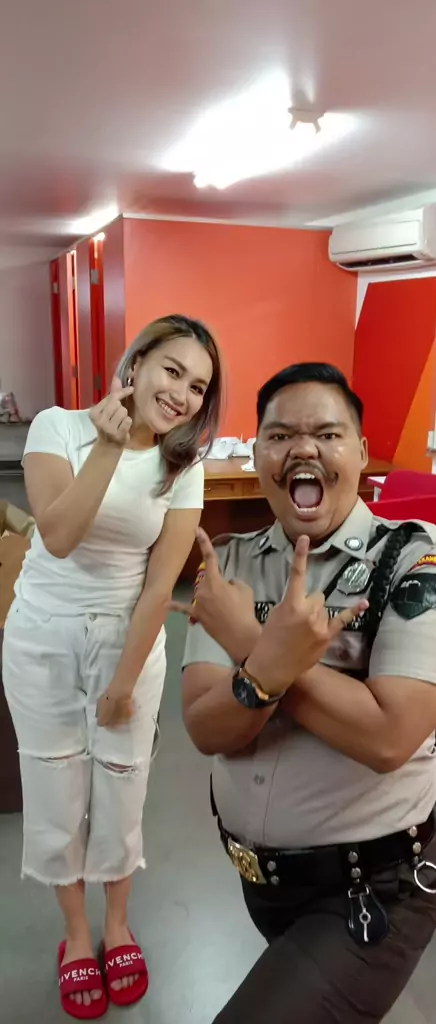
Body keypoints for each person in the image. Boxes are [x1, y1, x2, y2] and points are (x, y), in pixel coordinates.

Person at [178, 362, 436, 1024]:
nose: (303, 449)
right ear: (256, 454)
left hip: (378, 887)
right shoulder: (229, 562)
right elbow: (206, 727)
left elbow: (387, 736)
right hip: (263, 883)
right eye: (280, 435)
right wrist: (272, 668)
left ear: (362, 453)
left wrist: (251, 645)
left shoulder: (419, 560)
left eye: (327, 434)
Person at [2, 314, 222, 1020]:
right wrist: (108, 445)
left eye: (198, 386)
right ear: (137, 364)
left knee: (124, 788)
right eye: (172, 371)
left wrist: (125, 683)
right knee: (55, 786)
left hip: (131, 642)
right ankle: (76, 935)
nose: (182, 394)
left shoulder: (184, 467)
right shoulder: (58, 428)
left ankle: (117, 925)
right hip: (42, 637)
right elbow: (59, 535)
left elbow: (160, 587)